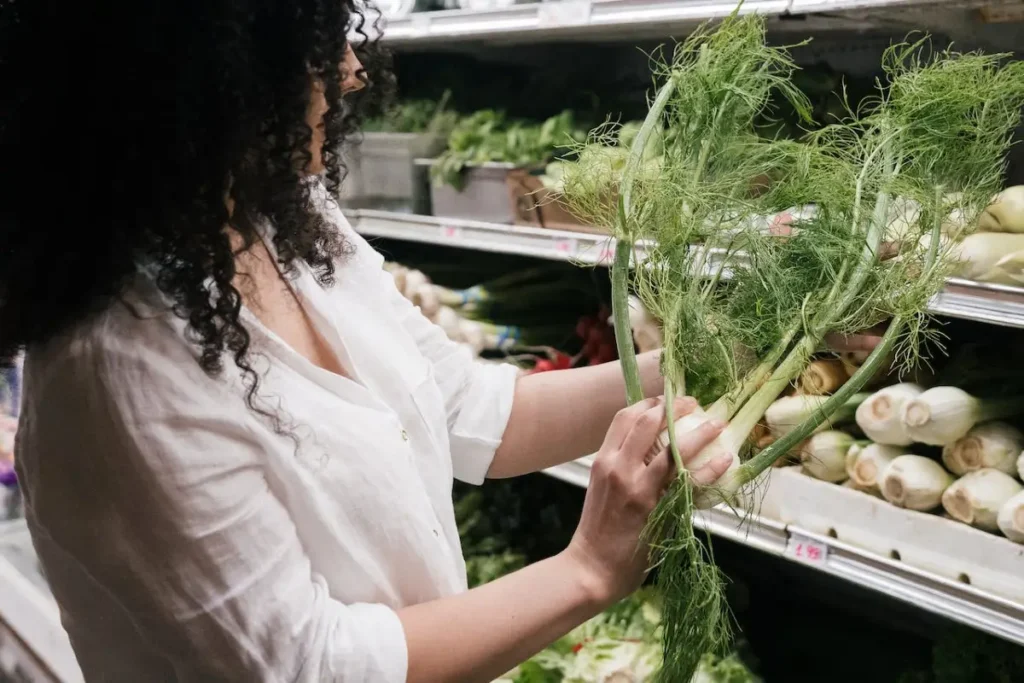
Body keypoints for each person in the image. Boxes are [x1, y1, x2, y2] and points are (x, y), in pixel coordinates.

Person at [0, 2, 881, 681]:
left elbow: (474, 410)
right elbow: (314, 666)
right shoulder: (113, 374)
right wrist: (589, 568)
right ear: (197, 79)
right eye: (310, 41)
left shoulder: (282, 220)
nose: (349, 67)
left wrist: (710, 359)